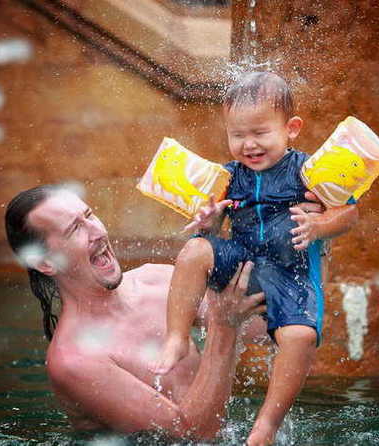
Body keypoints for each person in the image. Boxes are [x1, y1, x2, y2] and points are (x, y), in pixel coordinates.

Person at [154, 71, 359, 445]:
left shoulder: (309, 172)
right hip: (244, 262)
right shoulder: (228, 177)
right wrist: (209, 221)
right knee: (194, 250)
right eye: (237, 135)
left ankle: (265, 426)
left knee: (299, 336)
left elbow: (349, 213)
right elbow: (210, 227)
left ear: (291, 128)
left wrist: (320, 227)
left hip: (291, 272)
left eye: (260, 133)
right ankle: (176, 337)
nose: (249, 145)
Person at [4, 184, 268, 440]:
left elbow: (265, 325)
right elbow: (193, 436)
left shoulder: (155, 280)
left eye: (89, 215)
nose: (97, 232)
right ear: (45, 262)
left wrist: (226, 250)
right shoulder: (75, 360)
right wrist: (224, 328)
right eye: (74, 229)